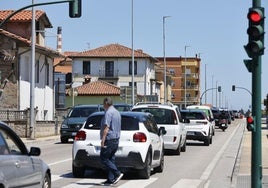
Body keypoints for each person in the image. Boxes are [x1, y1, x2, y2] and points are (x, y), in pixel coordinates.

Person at [100, 97, 123, 185]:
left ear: (106, 103)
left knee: (104, 158)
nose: (103, 105)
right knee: (111, 159)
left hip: (109, 139)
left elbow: (106, 127)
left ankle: (117, 173)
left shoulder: (108, 113)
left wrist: (103, 140)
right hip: (116, 139)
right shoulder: (117, 112)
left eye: (103, 103)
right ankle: (111, 179)